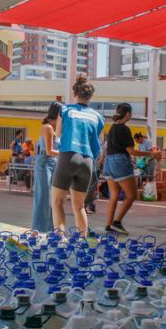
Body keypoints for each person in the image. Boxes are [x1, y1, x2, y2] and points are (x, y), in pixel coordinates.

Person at [51, 74, 104, 234]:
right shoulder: (98, 117)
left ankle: (60, 239)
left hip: (69, 156)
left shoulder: (65, 110)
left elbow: (58, 134)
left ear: (75, 93)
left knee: (58, 202)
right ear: (90, 95)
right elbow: (94, 139)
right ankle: (83, 241)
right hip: (87, 161)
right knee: (79, 206)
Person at [102, 103, 159, 235]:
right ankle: (117, 222)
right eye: (130, 113)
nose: (131, 116)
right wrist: (151, 154)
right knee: (131, 195)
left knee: (114, 196)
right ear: (127, 113)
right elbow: (131, 151)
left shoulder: (112, 128)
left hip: (109, 163)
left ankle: (108, 225)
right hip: (120, 162)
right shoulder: (124, 129)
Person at [31, 102, 61, 232]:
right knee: (43, 196)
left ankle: (49, 228)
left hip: (54, 163)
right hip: (45, 163)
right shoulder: (48, 127)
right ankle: (37, 229)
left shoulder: (57, 128)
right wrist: (66, 153)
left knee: (52, 198)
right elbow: (49, 151)